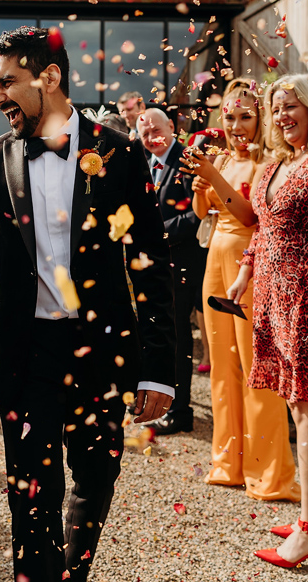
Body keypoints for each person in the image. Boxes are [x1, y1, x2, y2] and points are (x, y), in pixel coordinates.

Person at [0, 26, 178, 582]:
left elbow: (149, 261)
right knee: (31, 487)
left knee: (95, 478)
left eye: (7, 82)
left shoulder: (120, 154)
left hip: (102, 350)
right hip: (25, 348)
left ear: (50, 77)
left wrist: (159, 368)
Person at [228, 73, 308, 571]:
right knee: (298, 406)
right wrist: (244, 274)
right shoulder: (275, 163)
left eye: (291, 106)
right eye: (276, 107)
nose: (282, 115)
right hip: (271, 300)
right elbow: (266, 228)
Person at [179, 79, 299, 500]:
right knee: (223, 371)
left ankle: (267, 473)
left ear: (261, 118)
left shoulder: (269, 162)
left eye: (245, 116)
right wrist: (201, 190)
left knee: (255, 367)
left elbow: (250, 217)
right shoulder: (224, 160)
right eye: (229, 117)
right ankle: (227, 462)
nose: (236, 125)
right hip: (215, 260)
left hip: (249, 268)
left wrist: (212, 176)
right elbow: (205, 213)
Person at [136, 107, 207, 434]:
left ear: (172, 129)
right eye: (144, 132)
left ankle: (181, 410)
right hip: (157, 267)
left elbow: (200, 214)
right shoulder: (143, 163)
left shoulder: (189, 160)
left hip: (188, 263)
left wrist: (159, 231)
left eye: (155, 130)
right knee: (164, 336)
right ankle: (167, 403)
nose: (149, 138)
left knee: (182, 341)